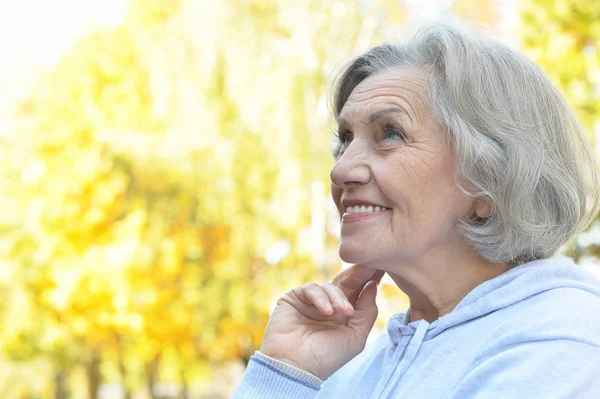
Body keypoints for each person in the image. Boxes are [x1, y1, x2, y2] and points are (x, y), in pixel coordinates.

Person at [232, 24, 600, 398]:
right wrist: (287, 373)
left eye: (390, 133)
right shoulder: (351, 369)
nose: (340, 170)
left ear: (490, 178)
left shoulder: (561, 340)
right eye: (345, 140)